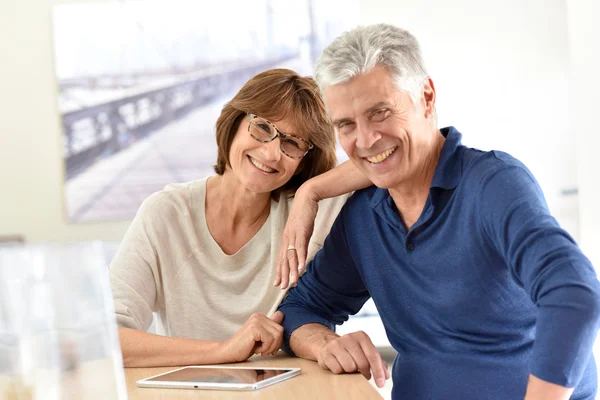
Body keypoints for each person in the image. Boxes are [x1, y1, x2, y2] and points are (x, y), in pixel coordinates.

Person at [278, 24, 600, 399]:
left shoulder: (493, 186)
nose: (365, 141)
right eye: (346, 125)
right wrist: (323, 343)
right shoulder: (363, 217)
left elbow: (574, 292)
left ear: (426, 98)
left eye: (380, 113)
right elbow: (302, 308)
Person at [108, 68, 368, 367]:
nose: (272, 154)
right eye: (262, 128)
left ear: (302, 163)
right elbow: (109, 339)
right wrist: (223, 350)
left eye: (293, 144)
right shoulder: (166, 214)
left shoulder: (315, 212)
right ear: (234, 123)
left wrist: (311, 191)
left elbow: (398, 155)